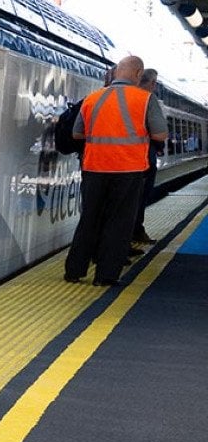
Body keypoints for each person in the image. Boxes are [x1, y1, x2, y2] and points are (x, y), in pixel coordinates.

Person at [64, 55, 168, 286]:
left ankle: (74, 271)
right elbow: (160, 135)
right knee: (118, 222)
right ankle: (105, 276)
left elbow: (77, 133)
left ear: (116, 72)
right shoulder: (145, 99)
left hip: (93, 167)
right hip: (127, 169)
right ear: (139, 74)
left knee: (89, 218)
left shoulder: (93, 98)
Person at [131, 67, 162, 245]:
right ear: (152, 83)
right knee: (139, 200)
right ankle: (134, 233)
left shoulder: (124, 97)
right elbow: (160, 133)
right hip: (143, 159)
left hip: (118, 160)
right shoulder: (148, 99)